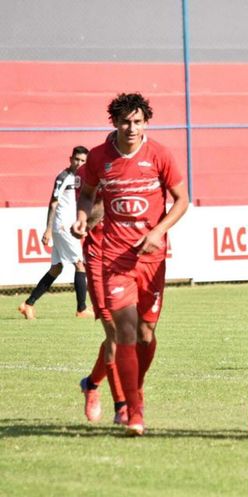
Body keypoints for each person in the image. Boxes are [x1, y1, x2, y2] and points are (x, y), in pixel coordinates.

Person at [72, 93, 189, 436]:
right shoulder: (98, 157)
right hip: (114, 259)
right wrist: (82, 217)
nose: (132, 128)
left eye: (138, 122)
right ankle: (132, 410)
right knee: (121, 330)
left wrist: (159, 231)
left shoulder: (160, 155)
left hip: (152, 259)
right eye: (125, 122)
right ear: (115, 123)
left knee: (146, 334)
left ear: (146, 123)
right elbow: (87, 193)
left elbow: (183, 201)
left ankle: (124, 390)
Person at [76, 154, 127, 425]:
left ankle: (92, 384)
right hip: (99, 257)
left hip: (128, 258)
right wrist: (108, 192)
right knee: (115, 332)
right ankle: (122, 405)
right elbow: (89, 219)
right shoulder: (91, 170)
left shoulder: (140, 167)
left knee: (127, 334)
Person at [18, 146, 93, 320]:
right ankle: (81, 309)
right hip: (63, 227)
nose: (79, 163)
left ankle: (28, 304)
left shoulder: (82, 178)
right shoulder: (63, 177)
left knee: (56, 268)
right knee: (80, 264)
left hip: (68, 226)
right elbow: (53, 203)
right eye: (77, 159)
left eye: (83, 161)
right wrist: (48, 228)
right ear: (70, 159)